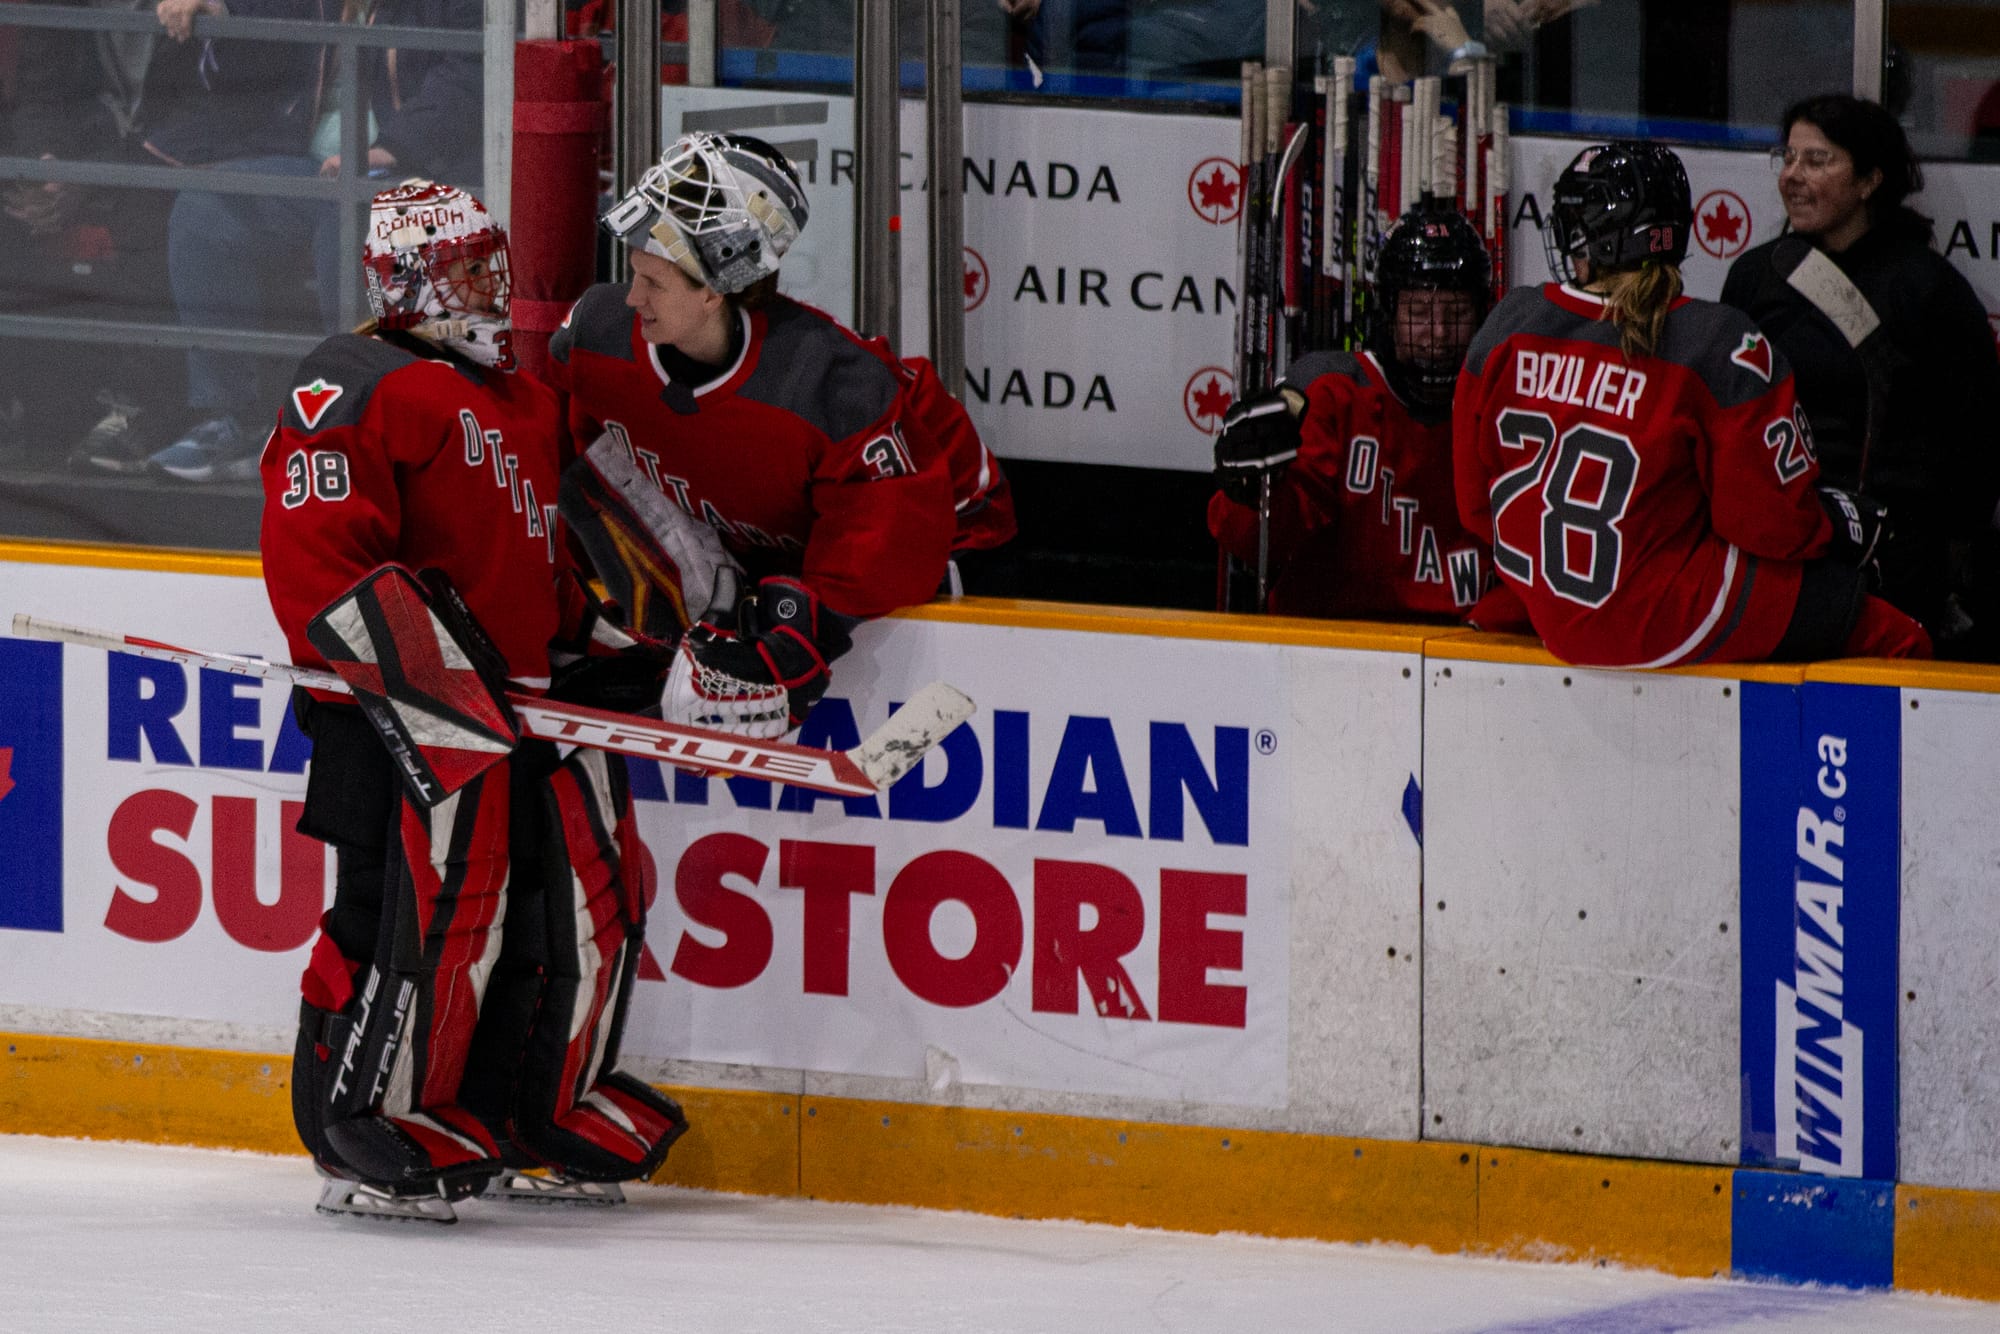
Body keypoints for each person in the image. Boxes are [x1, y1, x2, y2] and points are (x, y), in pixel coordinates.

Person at [260, 180, 687, 1222]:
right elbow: (314, 561)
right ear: (409, 283)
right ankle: (363, 1114)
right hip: (396, 712)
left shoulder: (527, 399)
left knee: (576, 905)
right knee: (415, 909)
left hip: (524, 706)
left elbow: (548, 561)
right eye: (466, 271)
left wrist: (607, 650)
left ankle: (528, 1103)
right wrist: (435, 690)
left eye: (493, 264)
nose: (490, 288)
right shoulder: (350, 379)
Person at [551, 131, 1008, 738]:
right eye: (633, 273)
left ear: (715, 289)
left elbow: (890, 547)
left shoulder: (833, 386)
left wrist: (795, 640)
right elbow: (568, 459)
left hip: (953, 542)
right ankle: (666, 642)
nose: (631, 297)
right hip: (776, 537)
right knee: (592, 471)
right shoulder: (597, 336)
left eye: (654, 283)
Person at [1454, 141, 1931, 668]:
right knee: (1895, 633)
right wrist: (1841, 525)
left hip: (1552, 602)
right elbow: (1771, 527)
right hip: (1666, 614)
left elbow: (1478, 509)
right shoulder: (1719, 343)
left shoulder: (1507, 326)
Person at [145, 0, 486, 482]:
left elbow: (470, 73)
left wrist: (394, 148)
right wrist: (218, 7)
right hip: (311, 164)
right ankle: (233, 420)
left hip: (418, 166)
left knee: (344, 219)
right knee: (205, 208)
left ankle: (352, 424)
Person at [1721, 94, 2000, 657]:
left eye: (1818, 161)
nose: (1793, 177)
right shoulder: (1754, 277)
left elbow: (1977, 439)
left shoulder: (1928, 290)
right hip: (1780, 549)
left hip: (1890, 564)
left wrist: (1941, 560)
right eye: (1789, 157)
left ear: (1871, 180)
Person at [1209, 203, 1507, 624]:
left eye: (1456, 314)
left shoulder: (1502, 402)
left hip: (1466, 652)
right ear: (1388, 313)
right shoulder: (1330, 391)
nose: (1439, 334)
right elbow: (1257, 544)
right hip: (1333, 646)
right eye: (1419, 314)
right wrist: (1250, 496)